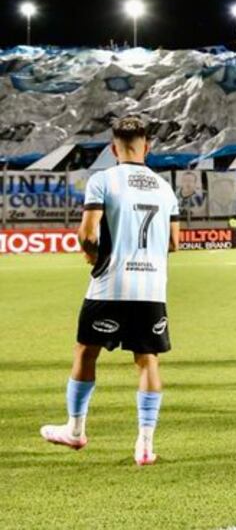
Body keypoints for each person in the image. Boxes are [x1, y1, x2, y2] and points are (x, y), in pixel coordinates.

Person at [41, 116, 180, 466]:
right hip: (151, 288)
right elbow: (175, 243)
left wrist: (92, 257)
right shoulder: (165, 189)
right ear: (147, 147)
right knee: (147, 360)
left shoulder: (103, 179)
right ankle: (145, 446)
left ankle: (75, 431)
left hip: (110, 285)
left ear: (112, 148)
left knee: (86, 353)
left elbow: (88, 234)